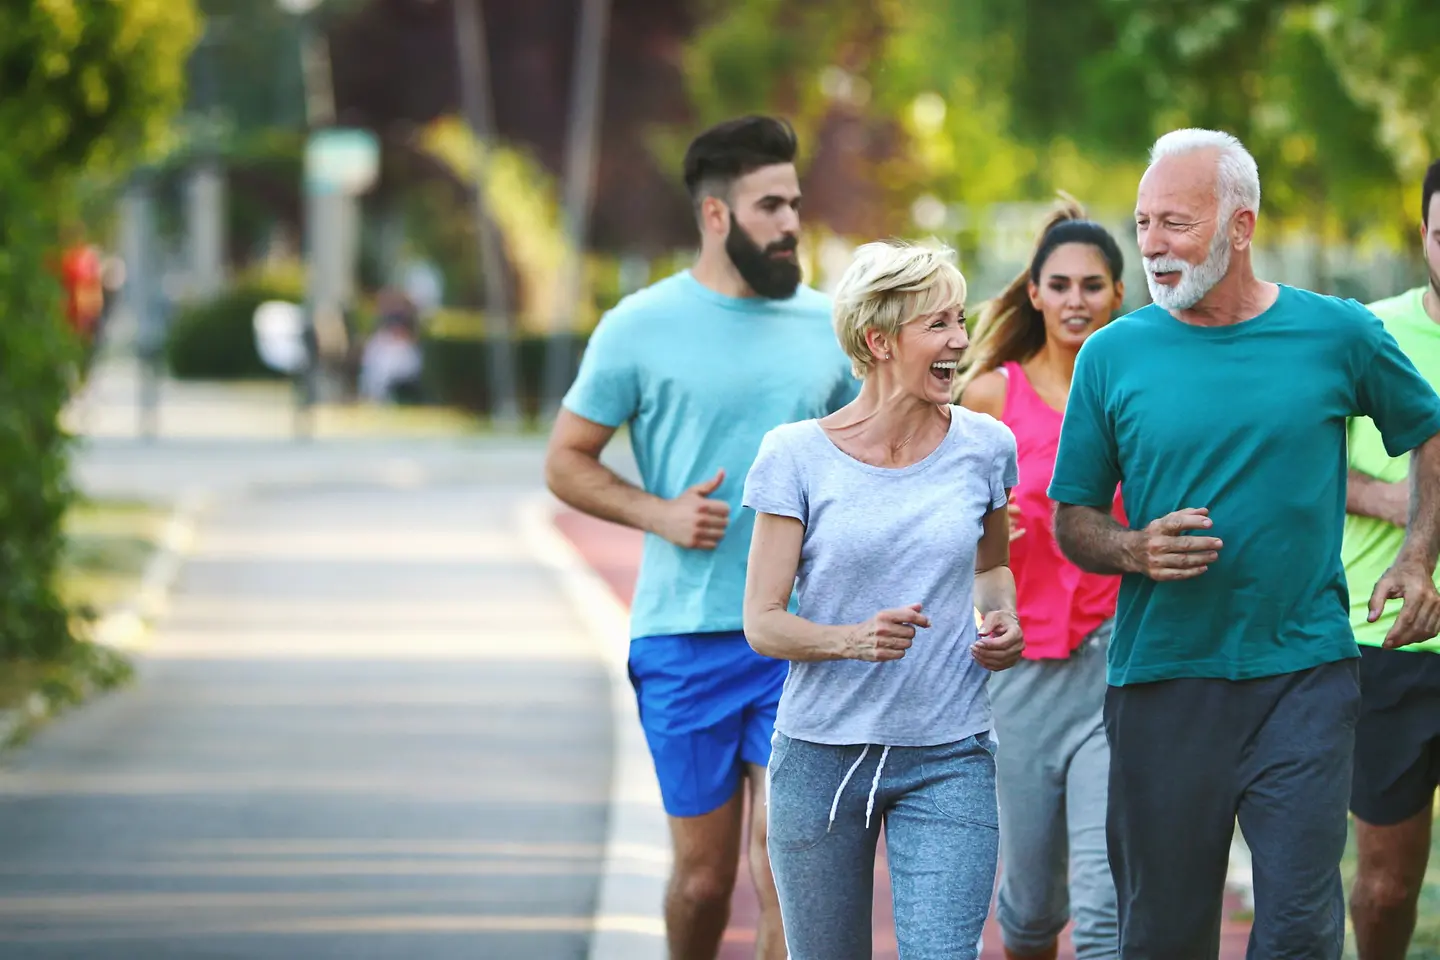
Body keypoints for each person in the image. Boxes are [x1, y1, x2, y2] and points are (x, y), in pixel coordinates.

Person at [1047, 128, 1440, 959]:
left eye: (1175, 224)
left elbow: (1428, 431)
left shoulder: (1337, 333)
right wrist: (1134, 549)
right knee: (1164, 934)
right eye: (1143, 222)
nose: (1150, 246)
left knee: (1299, 930)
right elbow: (1073, 519)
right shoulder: (1112, 355)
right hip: (1163, 679)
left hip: (1305, 674)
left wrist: (1416, 556)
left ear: (1240, 226)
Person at [544, 115, 857, 960]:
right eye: (769, 205)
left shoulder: (829, 329)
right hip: (683, 636)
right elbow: (566, 461)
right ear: (717, 215)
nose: (791, 221)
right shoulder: (638, 327)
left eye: (793, 202)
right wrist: (661, 513)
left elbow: (877, 450)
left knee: (786, 867)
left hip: (797, 638)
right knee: (702, 881)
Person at [742, 240, 1025, 959]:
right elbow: (762, 624)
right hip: (821, 757)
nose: (961, 340)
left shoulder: (986, 447)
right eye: (939, 324)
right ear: (878, 340)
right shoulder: (794, 455)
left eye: (962, 320)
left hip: (950, 754)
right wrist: (852, 639)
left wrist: (1003, 621)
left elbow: (992, 571)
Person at [957, 198, 1124, 960]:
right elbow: (939, 519)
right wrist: (980, 533)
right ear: (1034, 292)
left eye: (1093, 286)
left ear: (1118, 295)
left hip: (1111, 662)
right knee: (1028, 909)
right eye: (1060, 285)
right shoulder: (991, 395)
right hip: (1018, 675)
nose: (1076, 302)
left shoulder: (1133, 392)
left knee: (1102, 903)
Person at [1342, 157, 1440, 960]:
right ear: (1425, 235)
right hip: (1389, 644)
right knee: (1384, 888)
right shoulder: (1367, 334)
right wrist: (1401, 503)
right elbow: (1309, 465)